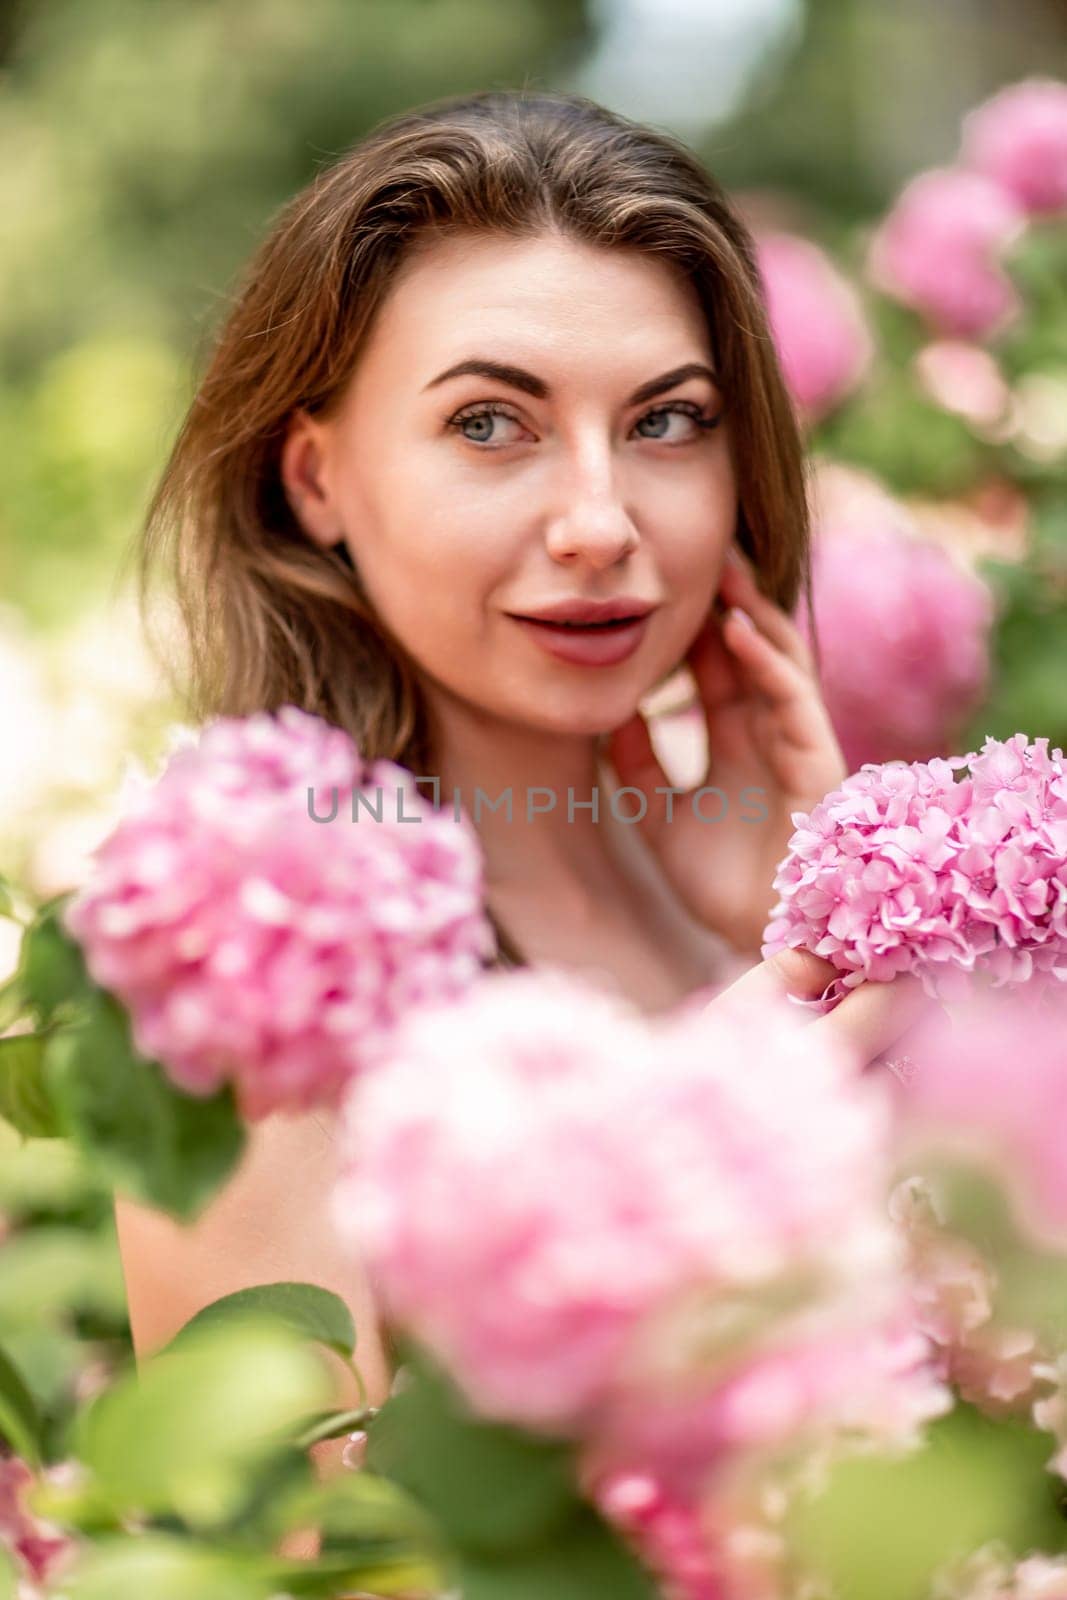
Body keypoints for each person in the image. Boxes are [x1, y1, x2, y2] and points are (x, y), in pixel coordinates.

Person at [114, 87, 932, 1535]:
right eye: (493, 423)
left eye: (669, 421)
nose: (603, 521)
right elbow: (306, 1562)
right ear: (318, 479)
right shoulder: (263, 974)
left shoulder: (767, 888)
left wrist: (803, 918)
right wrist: (702, 1116)